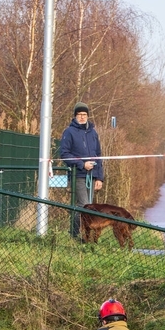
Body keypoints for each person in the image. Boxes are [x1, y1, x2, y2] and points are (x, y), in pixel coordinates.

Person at [60, 103, 104, 240]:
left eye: (84, 114)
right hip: (77, 175)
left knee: (89, 207)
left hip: (92, 175)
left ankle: (86, 236)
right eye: (79, 114)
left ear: (88, 116)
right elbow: (64, 154)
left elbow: (98, 155)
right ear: (75, 116)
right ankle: (75, 235)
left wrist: (99, 178)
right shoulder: (69, 132)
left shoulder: (93, 133)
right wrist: (81, 164)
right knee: (83, 206)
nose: (82, 117)